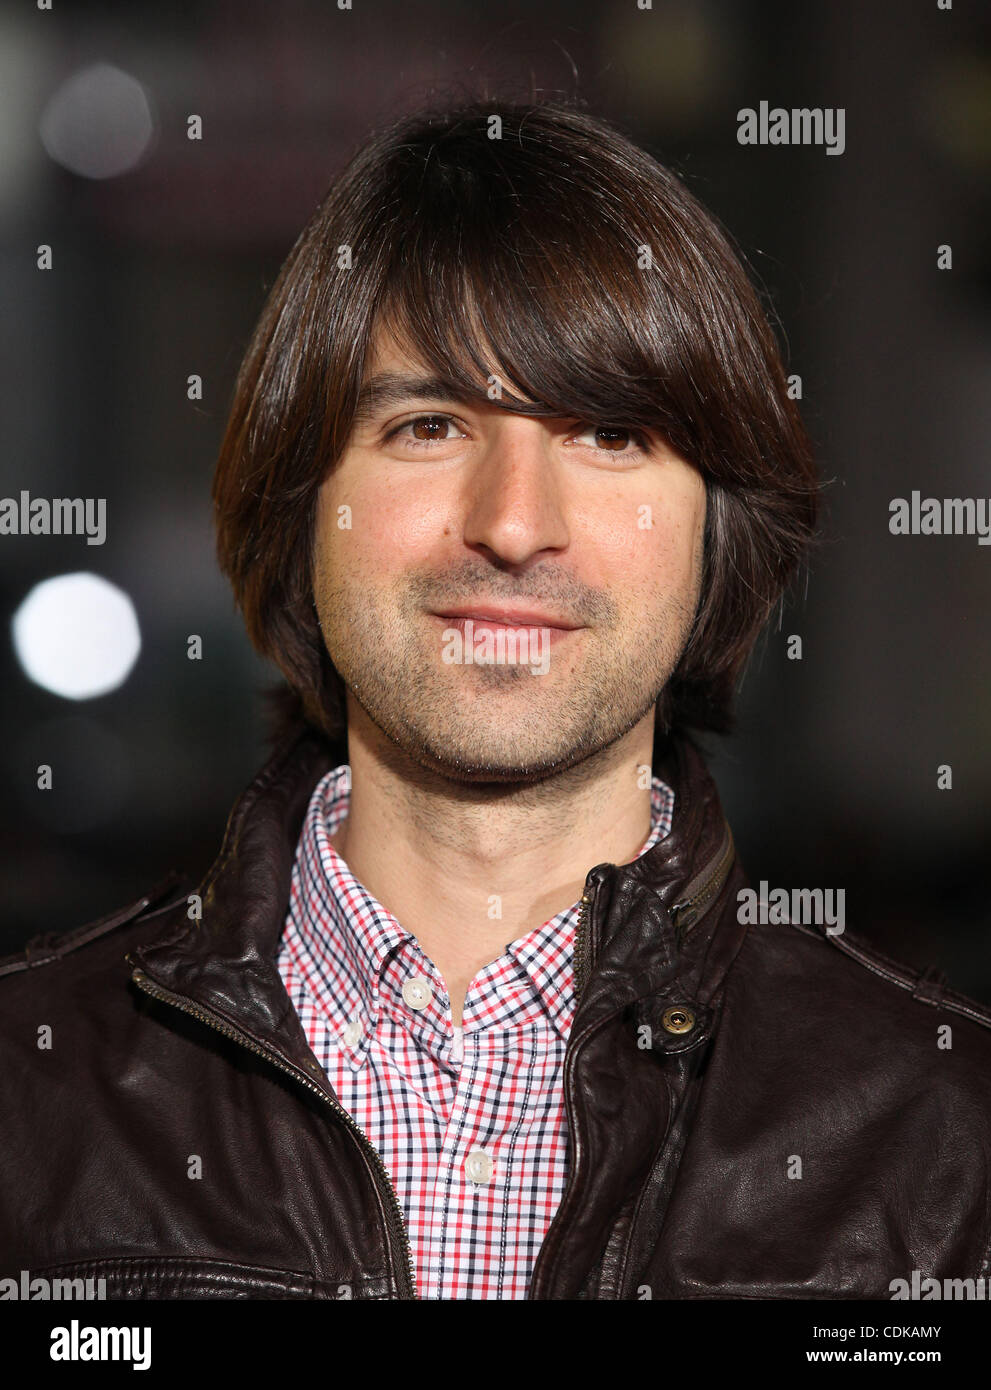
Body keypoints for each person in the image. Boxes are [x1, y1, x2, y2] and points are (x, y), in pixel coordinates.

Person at [2, 99, 989, 1303]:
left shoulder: (947, 1143)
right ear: (304, 504)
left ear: (714, 532)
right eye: (427, 425)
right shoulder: (26, 1094)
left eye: (610, 434)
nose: (514, 523)